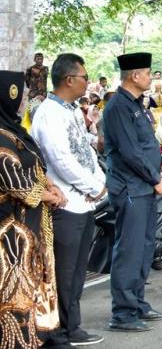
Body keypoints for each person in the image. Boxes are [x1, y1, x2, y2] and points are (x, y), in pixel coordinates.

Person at [30, 54, 106, 347]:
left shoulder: (72, 110)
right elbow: (61, 160)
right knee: (63, 271)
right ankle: (59, 331)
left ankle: (73, 326)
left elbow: (85, 152)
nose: (88, 81)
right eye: (85, 77)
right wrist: (93, 186)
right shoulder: (49, 113)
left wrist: (99, 184)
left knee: (76, 270)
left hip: (83, 202)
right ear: (70, 79)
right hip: (64, 204)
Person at [103, 53, 162, 331]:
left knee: (144, 248)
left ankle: (138, 303)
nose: (151, 77)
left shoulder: (137, 105)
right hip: (131, 187)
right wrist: (155, 178)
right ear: (134, 75)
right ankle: (123, 312)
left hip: (143, 187)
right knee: (129, 250)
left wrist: (158, 170)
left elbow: (145, 146)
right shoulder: (118, 106)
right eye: (147, 72)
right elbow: (130, 152)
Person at [0, 70, 66, 348]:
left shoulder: (15, 129)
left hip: (32, 223)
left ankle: (39, 334)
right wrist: (47, 196)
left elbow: (34, 163)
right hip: (10, 231)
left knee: (35, 278)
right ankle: (15, 339)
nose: (25, 98)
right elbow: (12, 181)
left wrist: (52, 185)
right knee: (15, 284)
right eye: (21, 94)